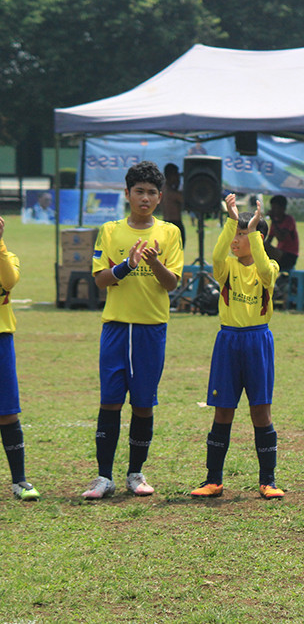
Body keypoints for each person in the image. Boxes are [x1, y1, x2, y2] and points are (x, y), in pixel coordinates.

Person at [83, 161, 183, 499]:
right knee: (110, 401)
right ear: (127, 194)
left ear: (160, 197)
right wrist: (128, 264)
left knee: (143, 403)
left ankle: (136, 474)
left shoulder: (169, 233)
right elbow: (100, 280)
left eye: (152, 192)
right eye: (138, 191)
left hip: (151, 329)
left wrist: (154, 262)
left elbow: (171, 284)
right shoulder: (111, 231)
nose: (145, 198)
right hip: (115, 327)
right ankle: (102, 477)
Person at [189, 196, 283, 499]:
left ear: (258, 237)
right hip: (228, 341)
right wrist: (231, 221)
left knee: (261, 412)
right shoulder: (227, 267)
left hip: (257, 341)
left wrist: (253, 230)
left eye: (243, 234)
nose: (236, 240)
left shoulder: (269, 268)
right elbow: (216, 256)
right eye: (236, 233)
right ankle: (213, 480)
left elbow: (267, 272)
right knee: (222, 412)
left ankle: (267, 480)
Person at [0, 217, 39, 501]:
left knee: (7, 411)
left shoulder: (8, 256)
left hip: (2, 339)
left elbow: (9, 281)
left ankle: (20, 481)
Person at [264, 195, 299, 272]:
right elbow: (269, 240)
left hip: (289, 256)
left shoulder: (289, 220)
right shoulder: (275, 223)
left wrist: (273, 220)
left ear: (283, 208)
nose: (273, 210)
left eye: (275, 208)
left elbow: (281, 237)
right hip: (280, 254)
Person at [161, 163, 186, 248]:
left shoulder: (163, 188)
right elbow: (185, 199)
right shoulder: (170, 192)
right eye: (176, 175)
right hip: (174, 223)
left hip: (166, 223)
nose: (178, 178)